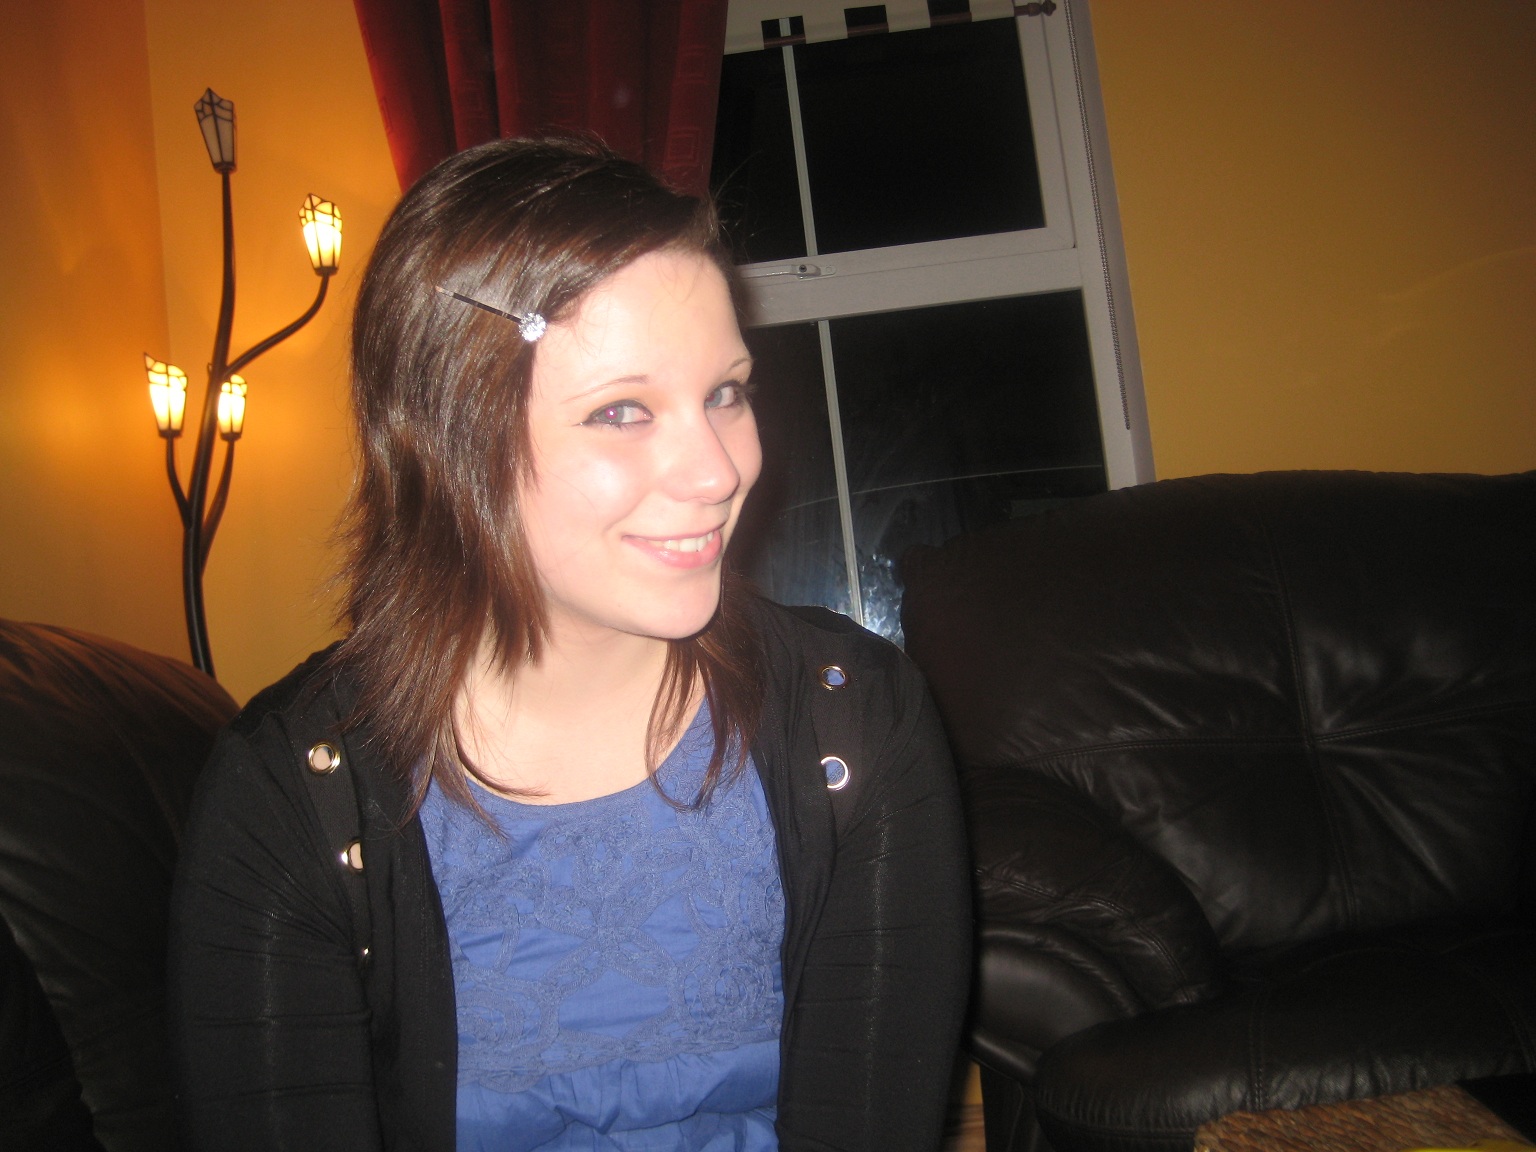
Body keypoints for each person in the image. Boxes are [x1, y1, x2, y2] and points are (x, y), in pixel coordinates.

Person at [168, 136, 970, 1152]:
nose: (718, 471)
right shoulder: (292, 798)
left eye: (725, 392)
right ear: (447, 439)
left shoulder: (855, 723)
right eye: (622, 411)